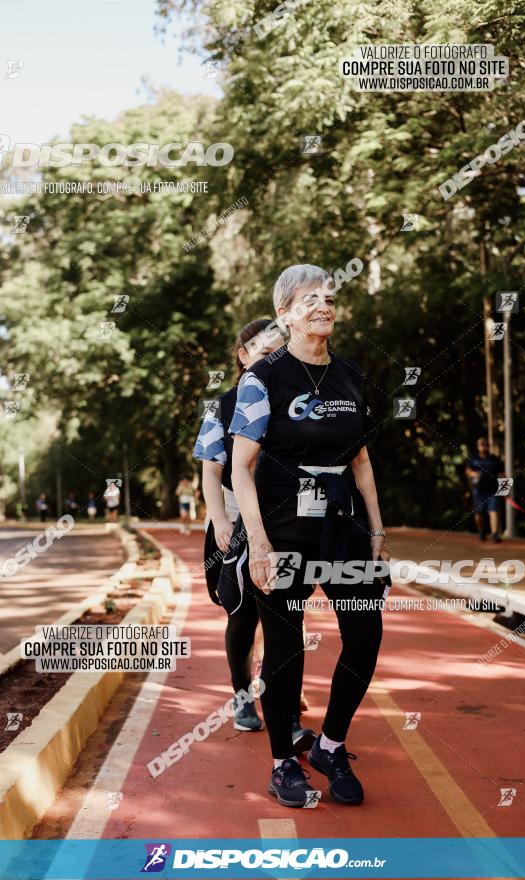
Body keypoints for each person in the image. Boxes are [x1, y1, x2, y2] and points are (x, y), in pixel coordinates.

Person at [229, 264, 390, 808]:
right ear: (285, 315)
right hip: (282, 526)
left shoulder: (350, 375)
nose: (322, 304)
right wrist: (257, 541)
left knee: (365, 636)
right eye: (308, 299)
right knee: (284, 646)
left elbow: (361, 458)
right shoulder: (262, 378)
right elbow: (240, 468)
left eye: (328, 296)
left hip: (342, 527)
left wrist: (376, 523)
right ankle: (281, 763)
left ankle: (329, 745)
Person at [193, 320, 315, 751]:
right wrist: (221, 522)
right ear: (243, 356)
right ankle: (242, 695)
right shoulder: (223, 408)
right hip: (235, 515)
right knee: (243, 614)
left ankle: (281, 701)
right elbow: (211, 472)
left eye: (278, 353)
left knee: (287, 615)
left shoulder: (298, 402)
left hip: (287, 518)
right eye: (262, 354)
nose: (272, 362)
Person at [465, 437, 505, 542]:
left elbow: (502, 474)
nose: (484, 446)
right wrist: (475, 474)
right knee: (479, 515)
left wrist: (505, 490)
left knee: (494, 511)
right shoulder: (473, 459)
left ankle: (495, 534)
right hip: (478, 491)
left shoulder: (495, 459)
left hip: (493, 491)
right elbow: (468, 471)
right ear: (478, 446)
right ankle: (482, 531)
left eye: (486, 444)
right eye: (481, 444)